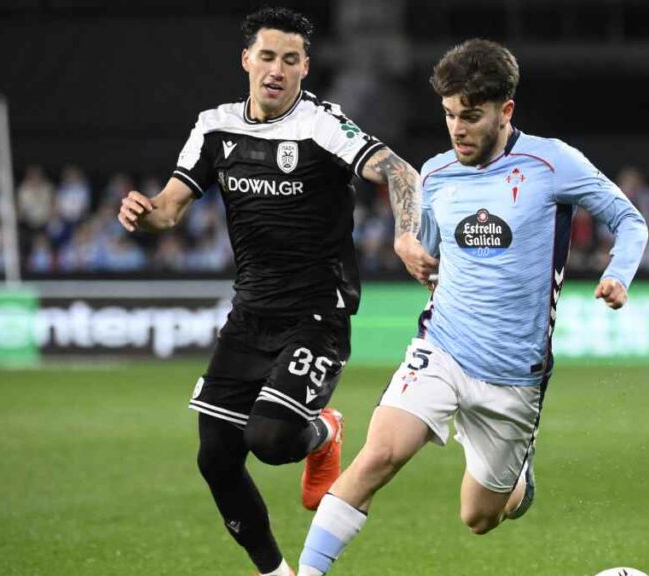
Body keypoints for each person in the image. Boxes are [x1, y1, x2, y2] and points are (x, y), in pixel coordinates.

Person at [297, 39, 648, 575]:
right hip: (443, 347)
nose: (457, 128)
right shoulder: (436, 174)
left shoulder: (552, 164)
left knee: (479, 517)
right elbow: (430, 251)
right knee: (379, 456)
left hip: (513, 377)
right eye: (448, 115)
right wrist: (415, 249)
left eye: (471, 116)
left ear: (505, 111)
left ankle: (517, 478)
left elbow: (630, 221)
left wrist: (617, 275)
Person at [115, 7, 435, 576]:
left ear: (306, 68)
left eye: (291, 60)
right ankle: (275, 573)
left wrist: (406, 236)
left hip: (318, 312)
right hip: (250, 314)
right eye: (267, 57)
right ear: (246, 60)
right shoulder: (214, 127)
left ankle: (323, 431)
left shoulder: (322, 125)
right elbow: (168, 209)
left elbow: (400, 171)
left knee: (268, 438)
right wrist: (144, 214)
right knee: (215, 458)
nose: (277, 70)